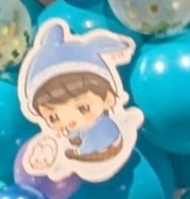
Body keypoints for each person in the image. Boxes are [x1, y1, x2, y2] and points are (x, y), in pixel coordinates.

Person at [17, 18, 141, 182]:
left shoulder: (102, 125)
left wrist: (76, 152)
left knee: (95, 134)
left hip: (103, 143)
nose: (70, 121)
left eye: (83, 108)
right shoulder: (80, 128)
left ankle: (86, 150)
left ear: (108, 99)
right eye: (53, 117)